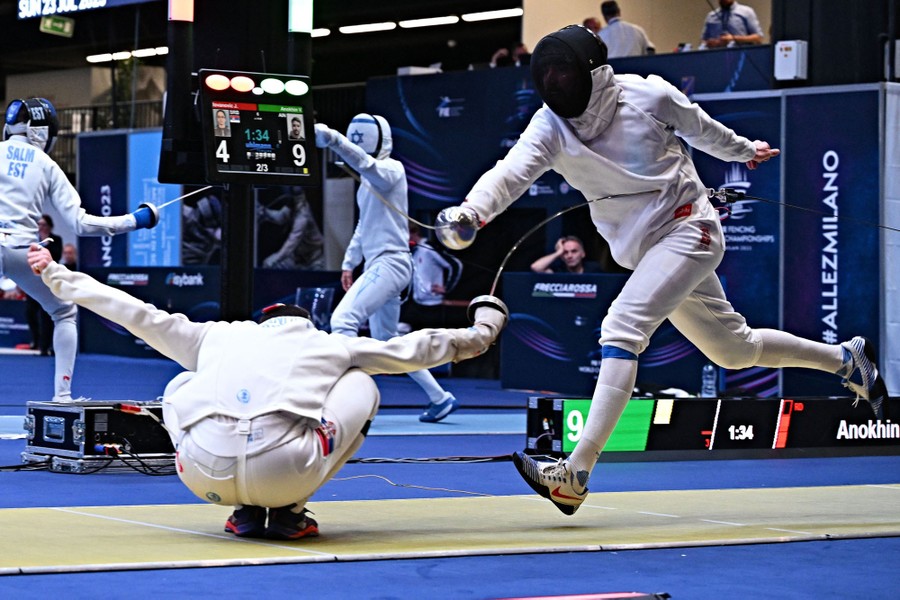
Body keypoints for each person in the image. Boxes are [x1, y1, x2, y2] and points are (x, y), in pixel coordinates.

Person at [434, 25, 888, 516]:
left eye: (564, 72)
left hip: (690, 230)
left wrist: (743, 151)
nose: (556, 83)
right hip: (649, 253)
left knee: (621, 327)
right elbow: (510, 172)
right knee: (733, 349)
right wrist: (470, 213)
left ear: (595, 73)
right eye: (547, 75)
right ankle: (845, 360)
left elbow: (702, 128)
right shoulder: (550, 126)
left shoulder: (647, 95)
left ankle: (575, 473)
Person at [27, 243, 507, 540]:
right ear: (305, 323)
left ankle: (243, 512)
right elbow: (415, 349)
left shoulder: (217, 335)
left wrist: (56, 274)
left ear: (264, 323)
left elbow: (132, 311)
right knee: (362, 381)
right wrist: (483, 333)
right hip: (284, 472)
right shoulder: (328, 344)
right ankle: (291, 514)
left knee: (179, 383)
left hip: (201, 475)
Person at [0, 97, 159, 401]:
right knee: (63, 312)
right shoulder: (46, 165)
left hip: (19, 245)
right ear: (41, 131)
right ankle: (62, 396)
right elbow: (81, 223)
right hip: (23, 250)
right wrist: (135, 221)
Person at [315, 114, 462, 423]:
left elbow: (367, 165)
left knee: (342, 320)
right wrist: (348, 262)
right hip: (379, 264)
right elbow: (363, 225)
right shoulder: (367, 182)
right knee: (389, 344)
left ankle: (340, 401)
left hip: (390, 263)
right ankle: (440, 397)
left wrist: (333, 139)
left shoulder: (391, 171)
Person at [257, 186, 325, 270]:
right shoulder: (293, 208)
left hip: (314, 259)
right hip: (297, 257)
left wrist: (276, 258)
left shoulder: (303, 215)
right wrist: (265, 212)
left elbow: (292, 241)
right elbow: (281, 217)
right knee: (268, 264)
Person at [23, 214, 62, 355]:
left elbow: (56, 257)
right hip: (32, 282)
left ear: (50, 226)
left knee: (46, 315)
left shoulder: (56, 240)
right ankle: (37, 341)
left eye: (44, 224)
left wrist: (45, 245)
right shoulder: (31, 240)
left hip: (48, 283)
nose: (41, 227)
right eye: (39, 224)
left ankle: (45, 347)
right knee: (30, 313)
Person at [530, 235, 602, 274]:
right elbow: (536, 267)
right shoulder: (559, 271)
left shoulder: (593, 270)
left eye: (574, 251)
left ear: (583, 254)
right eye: (565, 252)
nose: (569, 256)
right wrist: (558, 252)